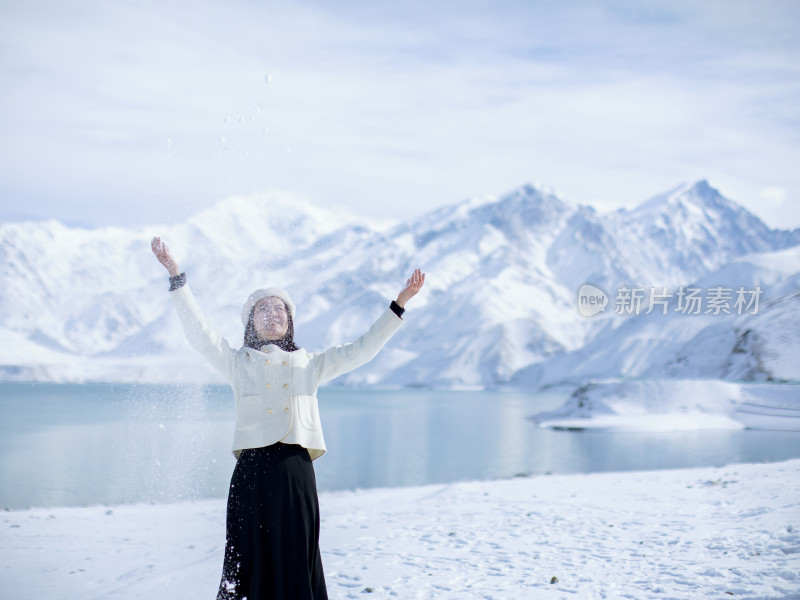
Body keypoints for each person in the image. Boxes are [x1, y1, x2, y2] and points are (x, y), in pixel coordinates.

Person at [150, 236, 425, 600]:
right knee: (246, 558)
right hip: (250, 473)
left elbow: (362, 350)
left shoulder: (310, 363)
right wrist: (176, 276)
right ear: (251, 322)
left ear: (290, 321)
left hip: (296, 472)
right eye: (263, 310)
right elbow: (199, 335)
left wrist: (399, 304)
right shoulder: (237, 362)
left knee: (297, 556)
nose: (273, 314)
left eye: (280, 309)